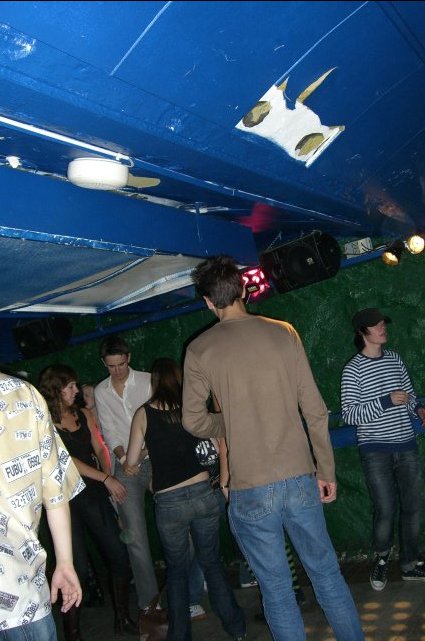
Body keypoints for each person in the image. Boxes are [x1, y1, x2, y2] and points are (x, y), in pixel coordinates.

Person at [181, 254, 365, 641]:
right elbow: (315, 410)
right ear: (245, 289)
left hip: (250, 487)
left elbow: (193, 421)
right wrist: (326, 471)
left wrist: (231, 423)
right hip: (300, 477)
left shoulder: (199, 350)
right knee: (327, 575)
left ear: (208, 302)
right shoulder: (284, 332)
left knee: (278, 592)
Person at [125, 357, 246, 641]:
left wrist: (148, 450)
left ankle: (180, 636)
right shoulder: (191, 409)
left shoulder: (143, 414)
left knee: (177, 571)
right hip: (203, 493)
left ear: (154, 382)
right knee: (211, 562)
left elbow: (131, 460)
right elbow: (216, 442)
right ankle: (236, 628)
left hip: (169, 502)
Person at [38, 364, 138, 639]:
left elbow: (100, 448)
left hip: (93, 494)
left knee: (118, 553)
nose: (76, 391)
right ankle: (73, 634)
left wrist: (108, 477)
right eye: (69, 386)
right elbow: (67, 461)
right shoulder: (43, 421)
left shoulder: (83, 414)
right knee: (77, 568)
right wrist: (105, 478)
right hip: (64, 501)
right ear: (55, 390)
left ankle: (122, 617)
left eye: (75, 385)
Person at [341, 307, 425, 591]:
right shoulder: (353, 369)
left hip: (406, 445)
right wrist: (386, 401)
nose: (382, 327)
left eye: (382, 323)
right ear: (362, 332)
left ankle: (410, 564)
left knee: (413, 507)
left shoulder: (395, 359)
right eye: (376, 325)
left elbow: (409, 395)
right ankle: (381, 558)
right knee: (385, 508)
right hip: (375, 450)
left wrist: (418, 409)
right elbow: (350, 414)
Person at [0, 370, 83, 640]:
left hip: (20, 591)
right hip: (21, 590)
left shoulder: (27, 395)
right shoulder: (23, 393)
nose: (76, 391)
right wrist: (65, 561)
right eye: (69, 386)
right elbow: (55, 490)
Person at [94, 335, 159, 614]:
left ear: (128, 358)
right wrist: (123, 458)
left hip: (155, 458)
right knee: (134, 536)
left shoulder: (147, 381)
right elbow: (109, 430)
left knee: (175, 521)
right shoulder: (101, 391)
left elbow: (158, 423)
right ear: (104, 363)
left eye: (120, 364)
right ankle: (150, 602)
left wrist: (139, 455)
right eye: (111, 366)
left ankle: (191, 585)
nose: (117, 370)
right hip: (126, 466)